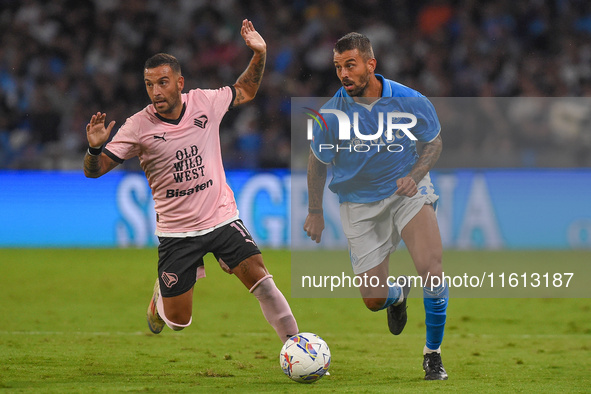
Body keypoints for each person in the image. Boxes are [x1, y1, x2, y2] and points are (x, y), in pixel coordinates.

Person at [83, 20, 298, 343]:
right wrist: (94, 147)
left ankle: (297, 346)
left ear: (179, 83)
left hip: (221, 217)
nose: (156, 91)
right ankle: (160, 299)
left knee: (262, 279)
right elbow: (94, 170)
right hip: (177, 232)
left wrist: (260, 53)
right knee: (179, 322)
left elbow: (246, 90)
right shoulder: (137, 126)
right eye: (149, 84)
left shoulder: (205, 102)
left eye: (163, 82)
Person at [303, 32, 448, 380]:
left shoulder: (409, 100)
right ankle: (396, 296)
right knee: (373, 299)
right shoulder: (329, 115)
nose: (343, 74)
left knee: (432, 268)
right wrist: (315, 211)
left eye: (350, 65)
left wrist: (416, 174)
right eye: (338, 67)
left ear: (371, 64)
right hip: (358, 204)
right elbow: (317, 162)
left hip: (405, 192)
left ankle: (433, 355)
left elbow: (433, 142)